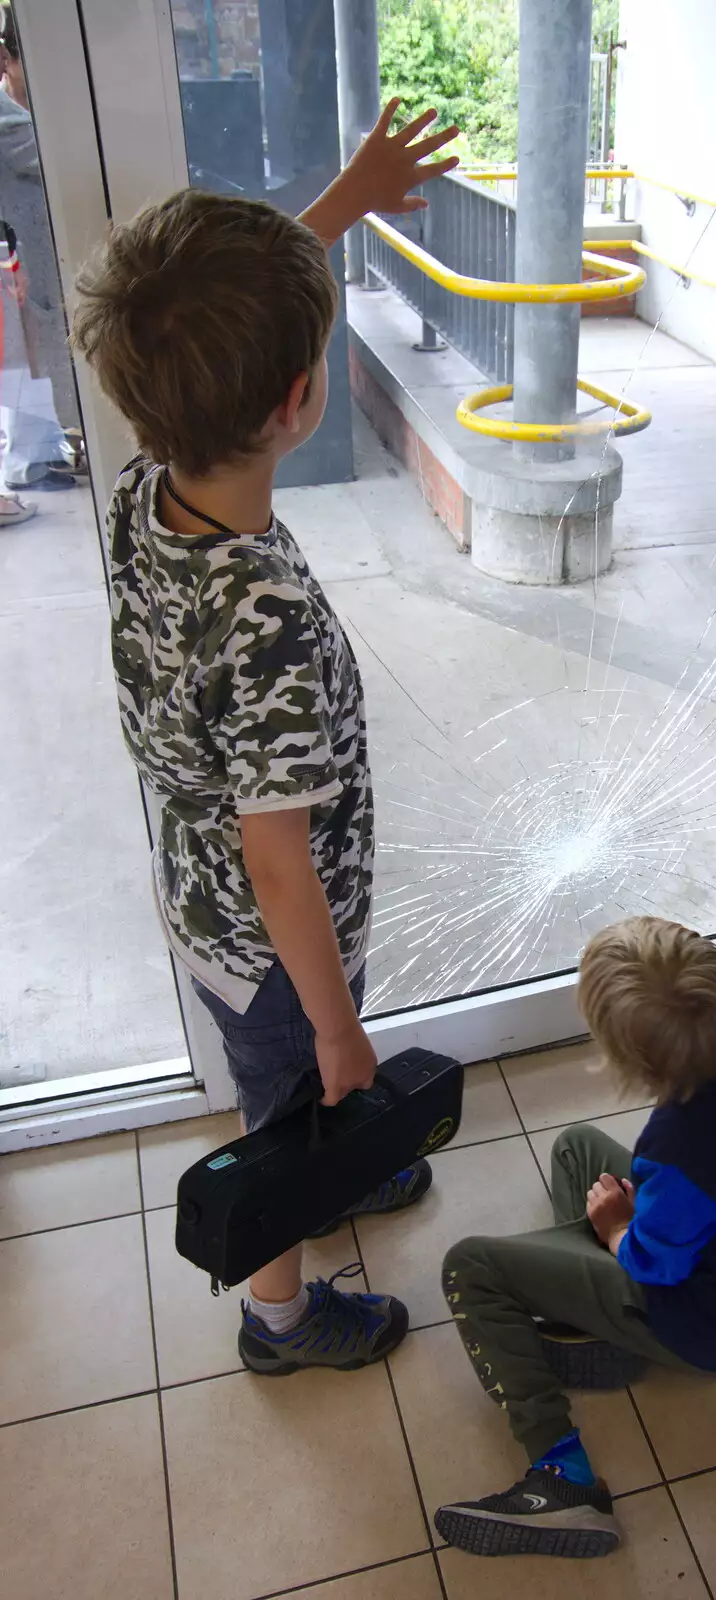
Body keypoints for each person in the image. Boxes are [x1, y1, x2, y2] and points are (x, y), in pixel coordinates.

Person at [71, 98, 458, 1375]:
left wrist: (336, 206)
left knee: (301, 1096)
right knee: (288, 1109)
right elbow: (280, 856)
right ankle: (281, 1318)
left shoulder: (143, 483)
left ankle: (343, 1164)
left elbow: (209, 339)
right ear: (302, 400)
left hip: (204, 908)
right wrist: (342, 1026)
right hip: (270, 935)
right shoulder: (267, 613)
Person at [435, 916, 716, 1559]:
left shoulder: (679, 1151)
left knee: (468, 1265)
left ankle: (562, 1480)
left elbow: (654, 1264)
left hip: (704, 1319)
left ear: (628, 1059)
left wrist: (616, 1229)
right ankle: (601, 1331)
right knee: (577, 1148)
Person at [0, 4, 83, 494]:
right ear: (7, 61)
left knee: (42, 358)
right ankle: (31, 462)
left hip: (37, 266)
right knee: (36, 361)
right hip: (25, 267)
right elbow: (65, 157)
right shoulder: (14, 126)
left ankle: (44, 455)